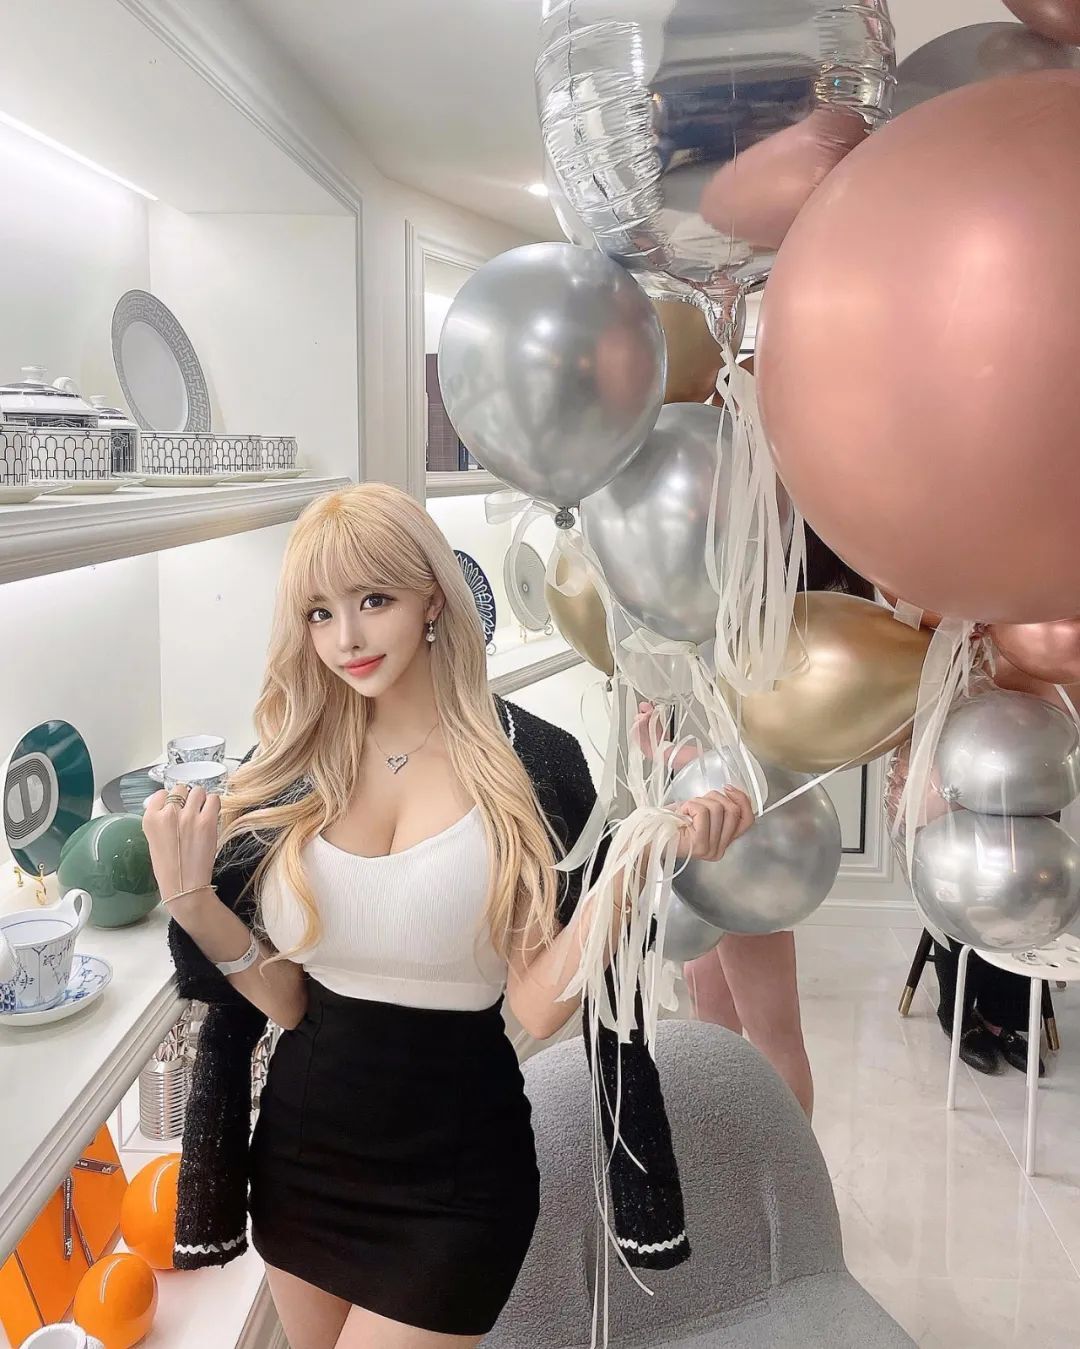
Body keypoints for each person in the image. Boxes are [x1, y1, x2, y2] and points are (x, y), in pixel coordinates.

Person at [142, 483, 755, 1349]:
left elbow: (536, 1001)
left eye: (374, 600)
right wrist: (194, 904)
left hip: (458, 1182)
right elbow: (286, 999)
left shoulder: (528, 762)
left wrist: (628, 869)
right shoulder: (290, 762)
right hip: (301, 1163)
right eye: (319, 613)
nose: (346, 639)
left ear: (433, 596)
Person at [632, 527, 874, 1119]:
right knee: (720, 1025)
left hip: (751, 839)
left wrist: (674, 757)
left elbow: (760, 761)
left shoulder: (783, 619)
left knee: (768, 1037)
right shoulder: (802, 610)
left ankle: (787, 1176)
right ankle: (739, 1163)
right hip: (731, 828)